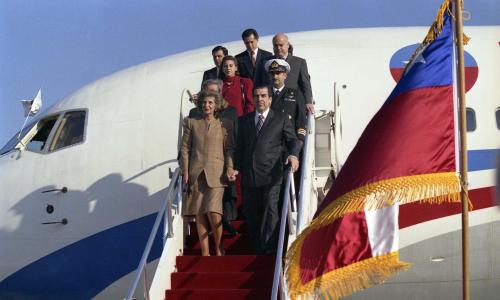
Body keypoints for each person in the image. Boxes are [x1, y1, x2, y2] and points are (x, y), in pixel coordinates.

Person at [233, 85, 300, 254]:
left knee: (270, 209)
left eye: (263, 96)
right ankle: (257, 248)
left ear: (270, 99)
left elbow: (293, 140)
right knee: (251, 213)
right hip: (249, 174)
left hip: (272, 174)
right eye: (256, 96)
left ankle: (269, 249)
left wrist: (293, 155)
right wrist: (234, 167)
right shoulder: (244, 121)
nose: (260, 99)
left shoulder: (281, 118)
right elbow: (239, 147)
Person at [180, 92, 235, 256]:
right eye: (204, 102)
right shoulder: (191, 123)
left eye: (210, 103)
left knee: (213, 211)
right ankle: (205, 252)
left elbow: (229, 149)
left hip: (217, 173)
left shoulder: (225, 124)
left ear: (216, 105)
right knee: (200, 212)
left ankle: (219, 247)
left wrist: (230, 168)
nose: (207, 106)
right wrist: (185, 170)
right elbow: (184, 149)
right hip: (196, 173)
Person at [188, 80, 239, 235]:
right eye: (208, 91)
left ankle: (226, 226)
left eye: (214, 92)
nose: (211, 95)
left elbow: (233, 139)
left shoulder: (230, 112)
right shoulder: (195, 113)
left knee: (223, 198)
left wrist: (231, 164)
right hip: (202, 165)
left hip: (223, 161)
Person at [255, 33, 315, 113]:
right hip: (271, 106)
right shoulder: (264, 62)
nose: (278, 48)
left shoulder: (299, 62)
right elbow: (258, 84)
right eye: (276, 45)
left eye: (281, 45)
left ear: (288, 46)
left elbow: (305, 85)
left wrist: (308, 102)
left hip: (291, 105)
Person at [266, 58, 307, 146]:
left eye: (278, 73)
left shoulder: (295, 94)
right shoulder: (264, 95)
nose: (275, 76)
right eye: (272, 73)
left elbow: (301, 119)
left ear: (285, 75)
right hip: (269, 143)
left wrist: (300, 140)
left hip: (289, 142)